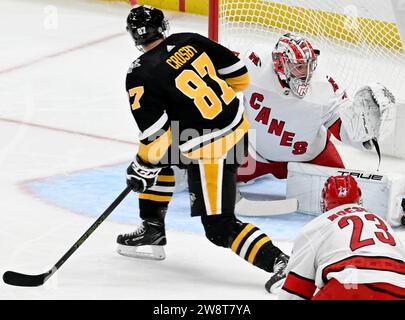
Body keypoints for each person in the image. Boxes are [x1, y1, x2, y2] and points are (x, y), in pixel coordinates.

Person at [116, 5, 289, 293]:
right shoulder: (190, 40)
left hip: (212, 152)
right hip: (235, 130)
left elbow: (155, 140)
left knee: (219, 227)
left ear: (135, 37)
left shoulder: (139, 74)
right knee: (163, 160)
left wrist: (140, 167)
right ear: (163, 27)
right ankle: (153, 230)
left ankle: (280, 262)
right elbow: (240, 79)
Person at [236, 32, 396, 183]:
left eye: (309, 66)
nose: (307, 74)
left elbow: (344, 127)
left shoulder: (324, 88)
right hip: (257, 156)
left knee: (344, 191)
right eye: (299, 67)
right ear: (280, 64)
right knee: (215, 181)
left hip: (312, 160)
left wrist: (366, 135)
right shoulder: (252, 69)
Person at [278, 175, 405, 300]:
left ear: (324, 200)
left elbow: (296, 289)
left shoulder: (316, 226)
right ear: (359, 198)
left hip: (349, 284)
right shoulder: (382, 223)